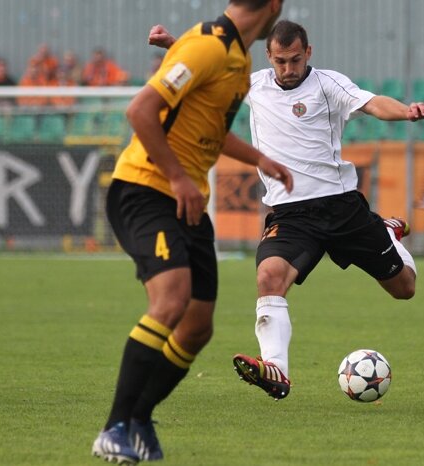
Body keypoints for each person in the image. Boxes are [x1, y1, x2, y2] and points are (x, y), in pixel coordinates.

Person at [150, 20, 424, 402]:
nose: (288, 68)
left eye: (295, 59)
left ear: (308, 52)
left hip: (341, 207)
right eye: (281, 61)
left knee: (404, 289)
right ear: (269, 56)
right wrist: (172, 43)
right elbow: (206, 65)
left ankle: (387, 233)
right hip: (290, 215)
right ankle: (276, 369)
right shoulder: (253, 85)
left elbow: (373, 103)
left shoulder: (328, 85)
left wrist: (406, 112)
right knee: (269, 276)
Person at [91, 1, 289, 464]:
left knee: (198, 326)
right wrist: (178, 177)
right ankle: (114, 428)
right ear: (273, 6)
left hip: (187, 200)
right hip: (146, 188)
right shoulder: (208, 46)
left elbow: (210, 131)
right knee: (171, 300)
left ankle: (139, 419)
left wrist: (259, 159)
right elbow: (141, 110)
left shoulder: (236, 59)